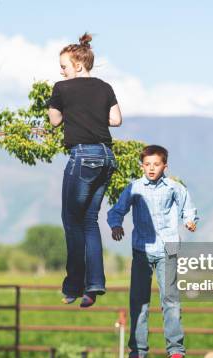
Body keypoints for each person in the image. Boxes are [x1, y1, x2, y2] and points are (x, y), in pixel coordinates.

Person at [47, 33, 122, 308]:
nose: (61, 71)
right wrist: (92, 114)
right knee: (90, 221)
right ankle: (95, 284)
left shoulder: (61, 88)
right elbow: (116, 119)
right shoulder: (104, 86)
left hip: (82, 156)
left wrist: (69, 110)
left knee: (71, 220)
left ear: (78, 64)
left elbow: (54, 121)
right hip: (106, 158)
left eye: (64, 66)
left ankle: (73, 285)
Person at [107, 145, 198, 358]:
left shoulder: (174, 188)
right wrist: (115, 225)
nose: (151, 168)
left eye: (156, 164)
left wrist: (189, 221)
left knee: (170, 298)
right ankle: (138, 349)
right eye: (147, 164)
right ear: (142, 166)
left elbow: (188, 207)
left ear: (164, 166)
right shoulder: (134, 188)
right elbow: (117, 210)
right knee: (139, 300)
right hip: (142, 248)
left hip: (169, 246)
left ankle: (175, 346)